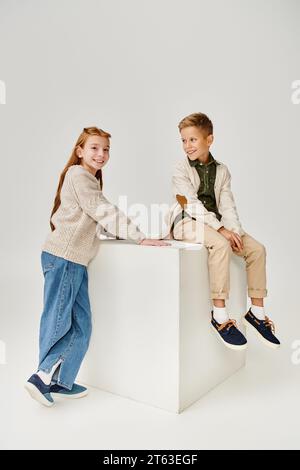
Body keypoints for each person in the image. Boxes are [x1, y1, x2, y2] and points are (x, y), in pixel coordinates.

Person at [25, 126, 168, 407]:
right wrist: (140, 237)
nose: (101, 154)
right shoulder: (78, 175)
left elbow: (97, 218)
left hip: (75, 260)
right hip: (64, 258)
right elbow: (104, 211)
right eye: (94, 148)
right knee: (57, 320)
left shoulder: (88, 179)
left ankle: (60, 380)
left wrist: (134, 235)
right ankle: (41, 375)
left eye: (105, 149)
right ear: (80, 151)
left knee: (83, 325)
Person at [170, 112, 280, 351]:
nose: (187, 146)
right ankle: (219, 316)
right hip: (187, 221)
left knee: (257, 250)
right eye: (183, 140)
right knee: (220, 245)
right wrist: (221, 231)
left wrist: (234, 231)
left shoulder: (222, 170)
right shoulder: (180, 169)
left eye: (193, 140)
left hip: (217, 224)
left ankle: (257, 313)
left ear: (209, 140)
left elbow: (228, 204)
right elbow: (189, 203)